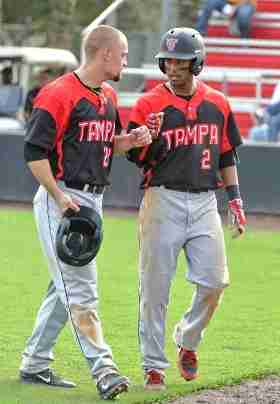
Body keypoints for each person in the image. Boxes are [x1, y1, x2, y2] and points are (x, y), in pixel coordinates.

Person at [19, 24, 152, 400]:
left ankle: (34, 362)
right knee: (81, 289)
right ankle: (104, 368)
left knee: (62, 288)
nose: (127, 61)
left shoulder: (108, 95)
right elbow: (34, 153)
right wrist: (59, 197)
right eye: (123, 54)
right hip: (63, 199)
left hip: (93, 200)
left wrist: (133, 140)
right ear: (105, 53)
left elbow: (108, 143)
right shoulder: (58, 93)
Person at [126, 27, 246, 390]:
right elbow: (136, 156)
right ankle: (153, 366)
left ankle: (187, 338)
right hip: (163, 198)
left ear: (197, 63)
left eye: (182, 60)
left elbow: (226, 154)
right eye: (169, 60)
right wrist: (145, 136)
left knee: (215, 281)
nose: (174, 66)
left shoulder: (218, 103)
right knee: (155, 287)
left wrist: (235, 199)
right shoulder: (148, 104)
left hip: (206, 199)